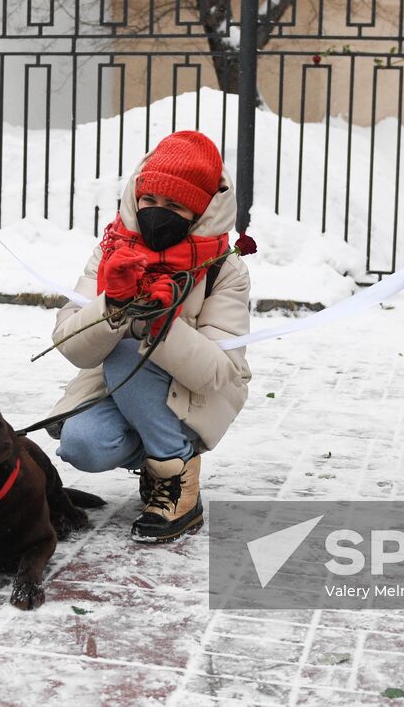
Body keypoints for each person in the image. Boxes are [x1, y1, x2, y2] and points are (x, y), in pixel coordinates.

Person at [48, 131, 252, 543]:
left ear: (198, 212)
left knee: (127, 352)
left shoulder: (222, 269)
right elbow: (70, 346)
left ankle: (177, 481)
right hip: (125, 389)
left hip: (195, 395)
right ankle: (161, 449)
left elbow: (219, 373)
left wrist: (161, 325)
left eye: (175, 206)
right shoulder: (111, 250)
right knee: (81, 445)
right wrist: (113, 305)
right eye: (150, 201)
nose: (158, 213)